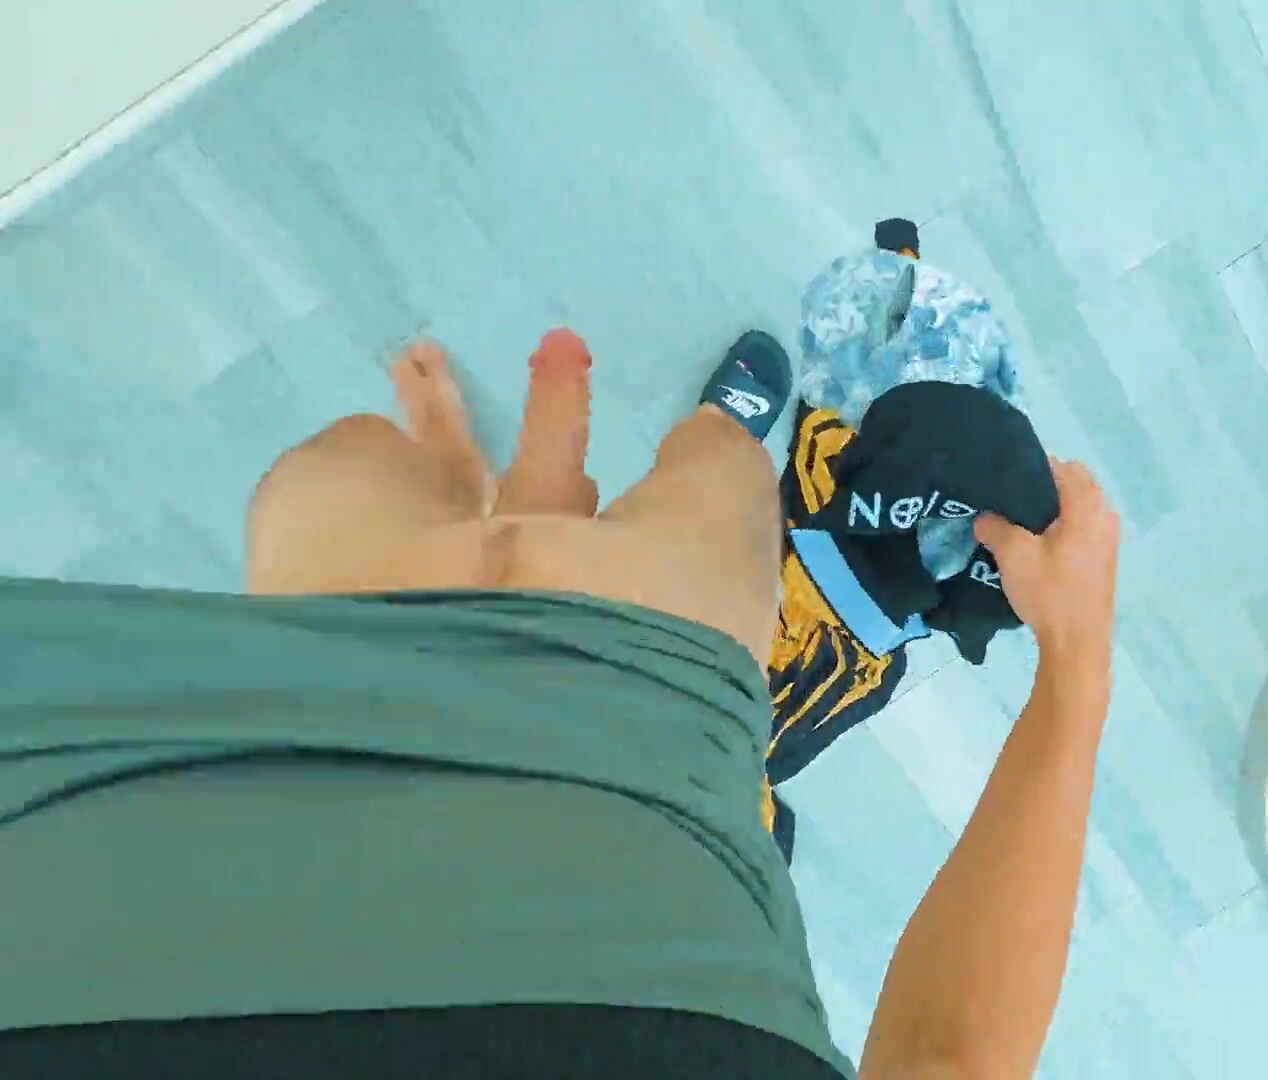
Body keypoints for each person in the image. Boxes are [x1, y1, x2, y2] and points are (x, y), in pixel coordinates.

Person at [0, 327, 1121, 1079]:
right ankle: (711, 433)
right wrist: (1073, 667)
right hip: (649, 789)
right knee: (721, 477)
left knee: (344, 466)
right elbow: (945, 1061)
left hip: (195, 755)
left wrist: (1075, 662)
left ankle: (465, 481)